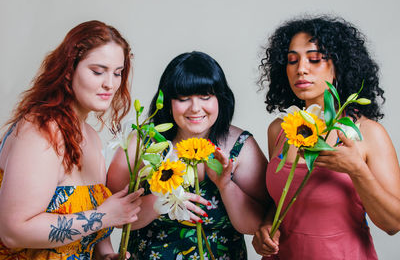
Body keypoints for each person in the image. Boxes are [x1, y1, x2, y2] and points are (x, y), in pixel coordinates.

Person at [252, 15, 400, 259]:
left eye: (315, 59)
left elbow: (393, 224)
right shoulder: (280, 130)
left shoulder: (368, 133)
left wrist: (357, 170)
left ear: (339, 67)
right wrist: (266, 228)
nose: (301, 68)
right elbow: (282, 201)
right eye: (292, 60)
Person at [0, 20, 143, 260]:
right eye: (98, 71)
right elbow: (13, 232)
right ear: (68, 70)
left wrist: (106, 255)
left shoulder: (92, 138)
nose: (110, 83)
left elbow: (89, 234)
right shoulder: (40, 130)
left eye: (117, 73)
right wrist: (104, 216)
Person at [107, 51, 269, 259]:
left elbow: (258, 225)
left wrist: (226, 186)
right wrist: (164, 198)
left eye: (205, 97)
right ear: (167, 102)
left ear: (220, 98)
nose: (195, 108)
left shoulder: (241, 147)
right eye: (183, 98)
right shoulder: (141, 143)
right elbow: (115, 220)